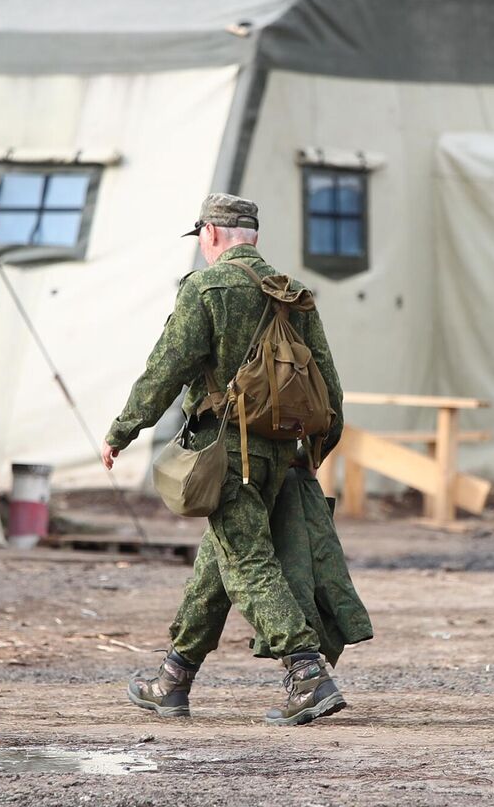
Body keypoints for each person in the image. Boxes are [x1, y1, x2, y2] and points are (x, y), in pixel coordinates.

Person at [101, 193, 351, 725]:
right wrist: (313, 452)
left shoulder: (206, 287)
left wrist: (123, 430)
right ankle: (173, 678)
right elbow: (327, 383)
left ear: (210, 234)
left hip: (226, 452)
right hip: (281, 455)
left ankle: (306, 673)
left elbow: (166, 367)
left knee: (246, 562)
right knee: (220, 560)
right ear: (253, 237)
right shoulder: (290, 293)